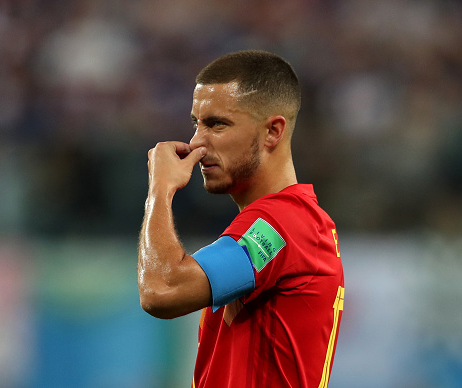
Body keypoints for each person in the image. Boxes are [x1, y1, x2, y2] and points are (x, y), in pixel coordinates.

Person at [137, 50, 344, 388]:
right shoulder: (292, 221)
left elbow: (162, 289)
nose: (196, 143)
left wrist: (160, 191)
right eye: (196, 124)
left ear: (273, 132)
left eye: (217, 124)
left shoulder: (281, 223)